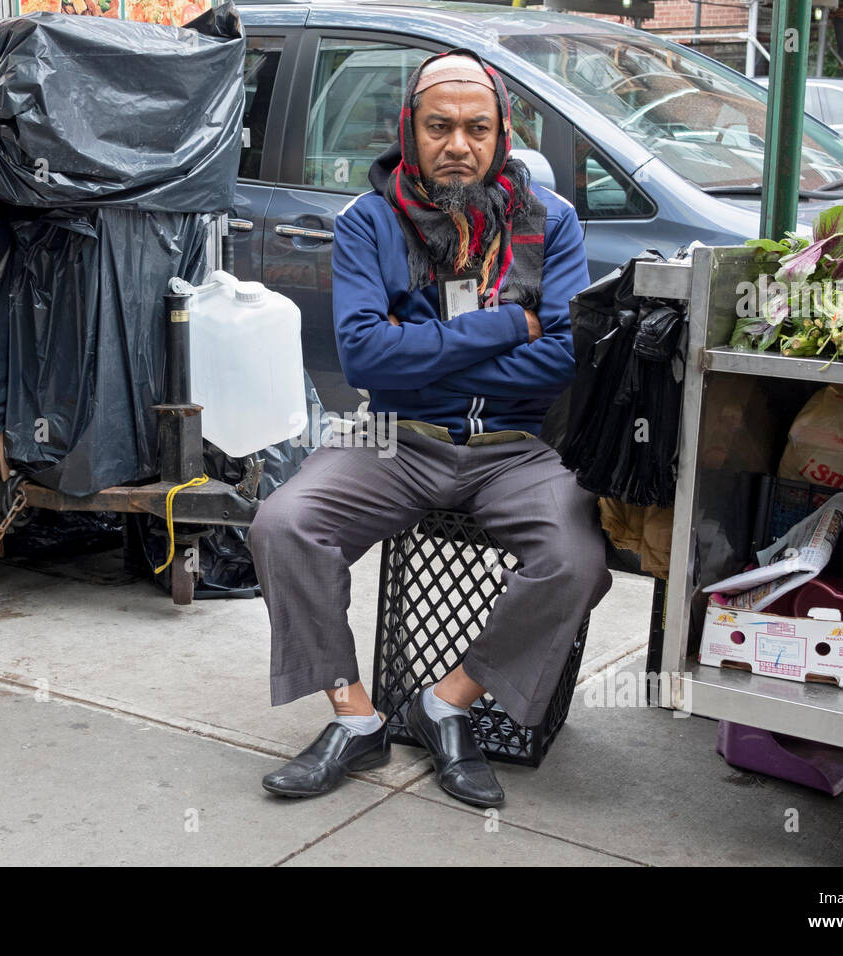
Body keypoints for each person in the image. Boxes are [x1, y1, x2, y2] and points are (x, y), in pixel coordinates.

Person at [247, 49, 612, 809]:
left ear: (502, 133)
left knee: (575, 556)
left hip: (513, 446)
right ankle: (354, 717)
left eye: (476, 128)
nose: (458, 144)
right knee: (284, 521)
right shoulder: (369, 221)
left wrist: (422, 359)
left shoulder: (554, 223)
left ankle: (446, 702)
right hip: (392, 434)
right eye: (439, 126)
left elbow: (564, 360)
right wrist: (513, 320)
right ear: (408, 129)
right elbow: (366, 359)